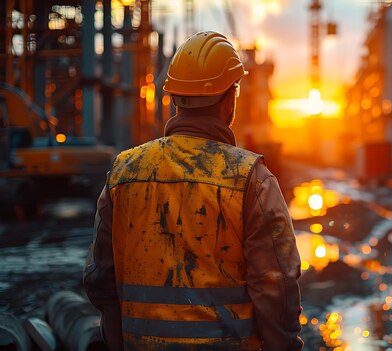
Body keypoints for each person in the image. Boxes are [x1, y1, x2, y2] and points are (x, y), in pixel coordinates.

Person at [83, 31, 303, 351]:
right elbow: (276, 286)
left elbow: (100, 279)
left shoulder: (124, 172)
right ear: (230, 99)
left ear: (174, 99)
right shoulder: (249, 179)